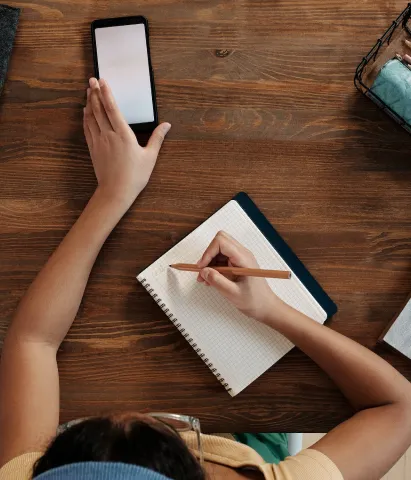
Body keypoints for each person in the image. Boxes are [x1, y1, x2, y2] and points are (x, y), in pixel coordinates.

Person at [0, 78, 410, 480]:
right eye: (154, 426)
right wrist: (275, 311)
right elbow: (400, 407)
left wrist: (114, 192)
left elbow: (31, 341)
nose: (134, 409)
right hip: (249, 449)